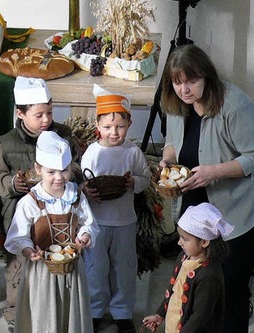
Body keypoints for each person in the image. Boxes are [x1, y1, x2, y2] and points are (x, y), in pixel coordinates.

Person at [158, 44, 254, 332]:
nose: (185, 90)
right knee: (196, 283)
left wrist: (213, 172)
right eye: (177, 83)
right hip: (195, 201)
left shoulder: (236, 106)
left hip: (236, 208)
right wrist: (167, 160)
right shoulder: (176, 106)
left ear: (206, 77)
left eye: (191, 81)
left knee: (229, 287)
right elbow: (173, 142)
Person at [0, 76, 82, 329]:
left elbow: (76, 166)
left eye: (50, 113)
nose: (46, 120)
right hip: (20, 216)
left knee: (54, 266)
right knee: (18, 271)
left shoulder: (63, 134)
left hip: (56, 216)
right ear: (20, 113)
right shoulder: (8, 143)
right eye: (39, 115)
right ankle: (15, 316)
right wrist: (12, 183)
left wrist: (64, 176)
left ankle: (53, 315)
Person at [4, 131, 99, 333]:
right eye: (51, 172)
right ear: (38, 169)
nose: (59, 177)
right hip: (42, 272)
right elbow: (18, 236)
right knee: (44, 311)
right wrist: (28, 250)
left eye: (64, 171)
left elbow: (88, 223)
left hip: (71, 268)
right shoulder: (30, 201)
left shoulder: (75, 196)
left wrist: (85, 234)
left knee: (70, 310)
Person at [81, 84, 151, 333]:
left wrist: (135, 183)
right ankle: (95, 310)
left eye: (120, 127)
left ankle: (122, 312)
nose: (114, 132)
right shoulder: (91, 152)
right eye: (108, 127)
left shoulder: (132, 152)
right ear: (97, 126)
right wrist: (87, 192)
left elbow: (145, 179)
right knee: (95, 268)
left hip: (125, 221)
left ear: (129, 125)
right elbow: (83, 184)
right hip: (96, 223)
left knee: (123, 268)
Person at [142, 203, 234, 333]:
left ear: (204, 242)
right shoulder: (184, 256)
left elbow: (199, 318)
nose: (179, 242)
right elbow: (174, 290)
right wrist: (160, 314)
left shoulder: (208, 277)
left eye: (185, 239)